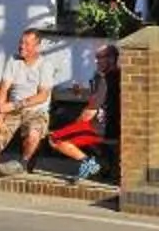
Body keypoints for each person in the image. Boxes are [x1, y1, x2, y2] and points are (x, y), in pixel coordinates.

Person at [0, 29, 58, 187]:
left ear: (37, 46)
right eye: (21, 42)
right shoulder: (13, 61)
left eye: (27, 44)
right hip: (12, 111)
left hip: (36, 110)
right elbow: (4, 88)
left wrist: (14, 105)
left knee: (34, 134)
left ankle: (23, 162)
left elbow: (42, 96)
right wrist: (0, 110)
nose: (21, 46)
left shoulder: (45, 65)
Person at [42, 43, 119, 179]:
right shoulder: (117, 75)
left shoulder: (104, 79)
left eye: (100, 57)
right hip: (111, 126)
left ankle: (91, 165)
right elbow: (100, 99)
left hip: (101, 128)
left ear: (112, 59)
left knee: (55, 139)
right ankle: (102, 162)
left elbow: (90, 112)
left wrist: (74, 127)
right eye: (96, 57)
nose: (96, 61)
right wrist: (82, 93)